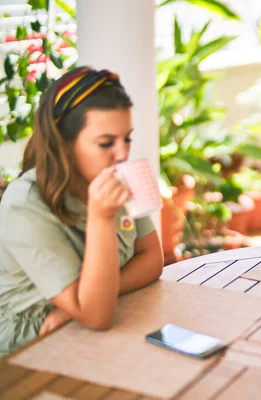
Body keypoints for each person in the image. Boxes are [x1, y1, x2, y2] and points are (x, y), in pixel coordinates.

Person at [0, 67, 164, 357]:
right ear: (63, 143)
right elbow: (97, 317)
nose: (123, 154)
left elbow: (152, 258)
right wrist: (101, 217)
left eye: (127, 138)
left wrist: (81, 307)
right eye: (106, 143)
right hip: (28, 345)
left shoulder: (115, 175)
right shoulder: (24, 204)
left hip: (90, 324)